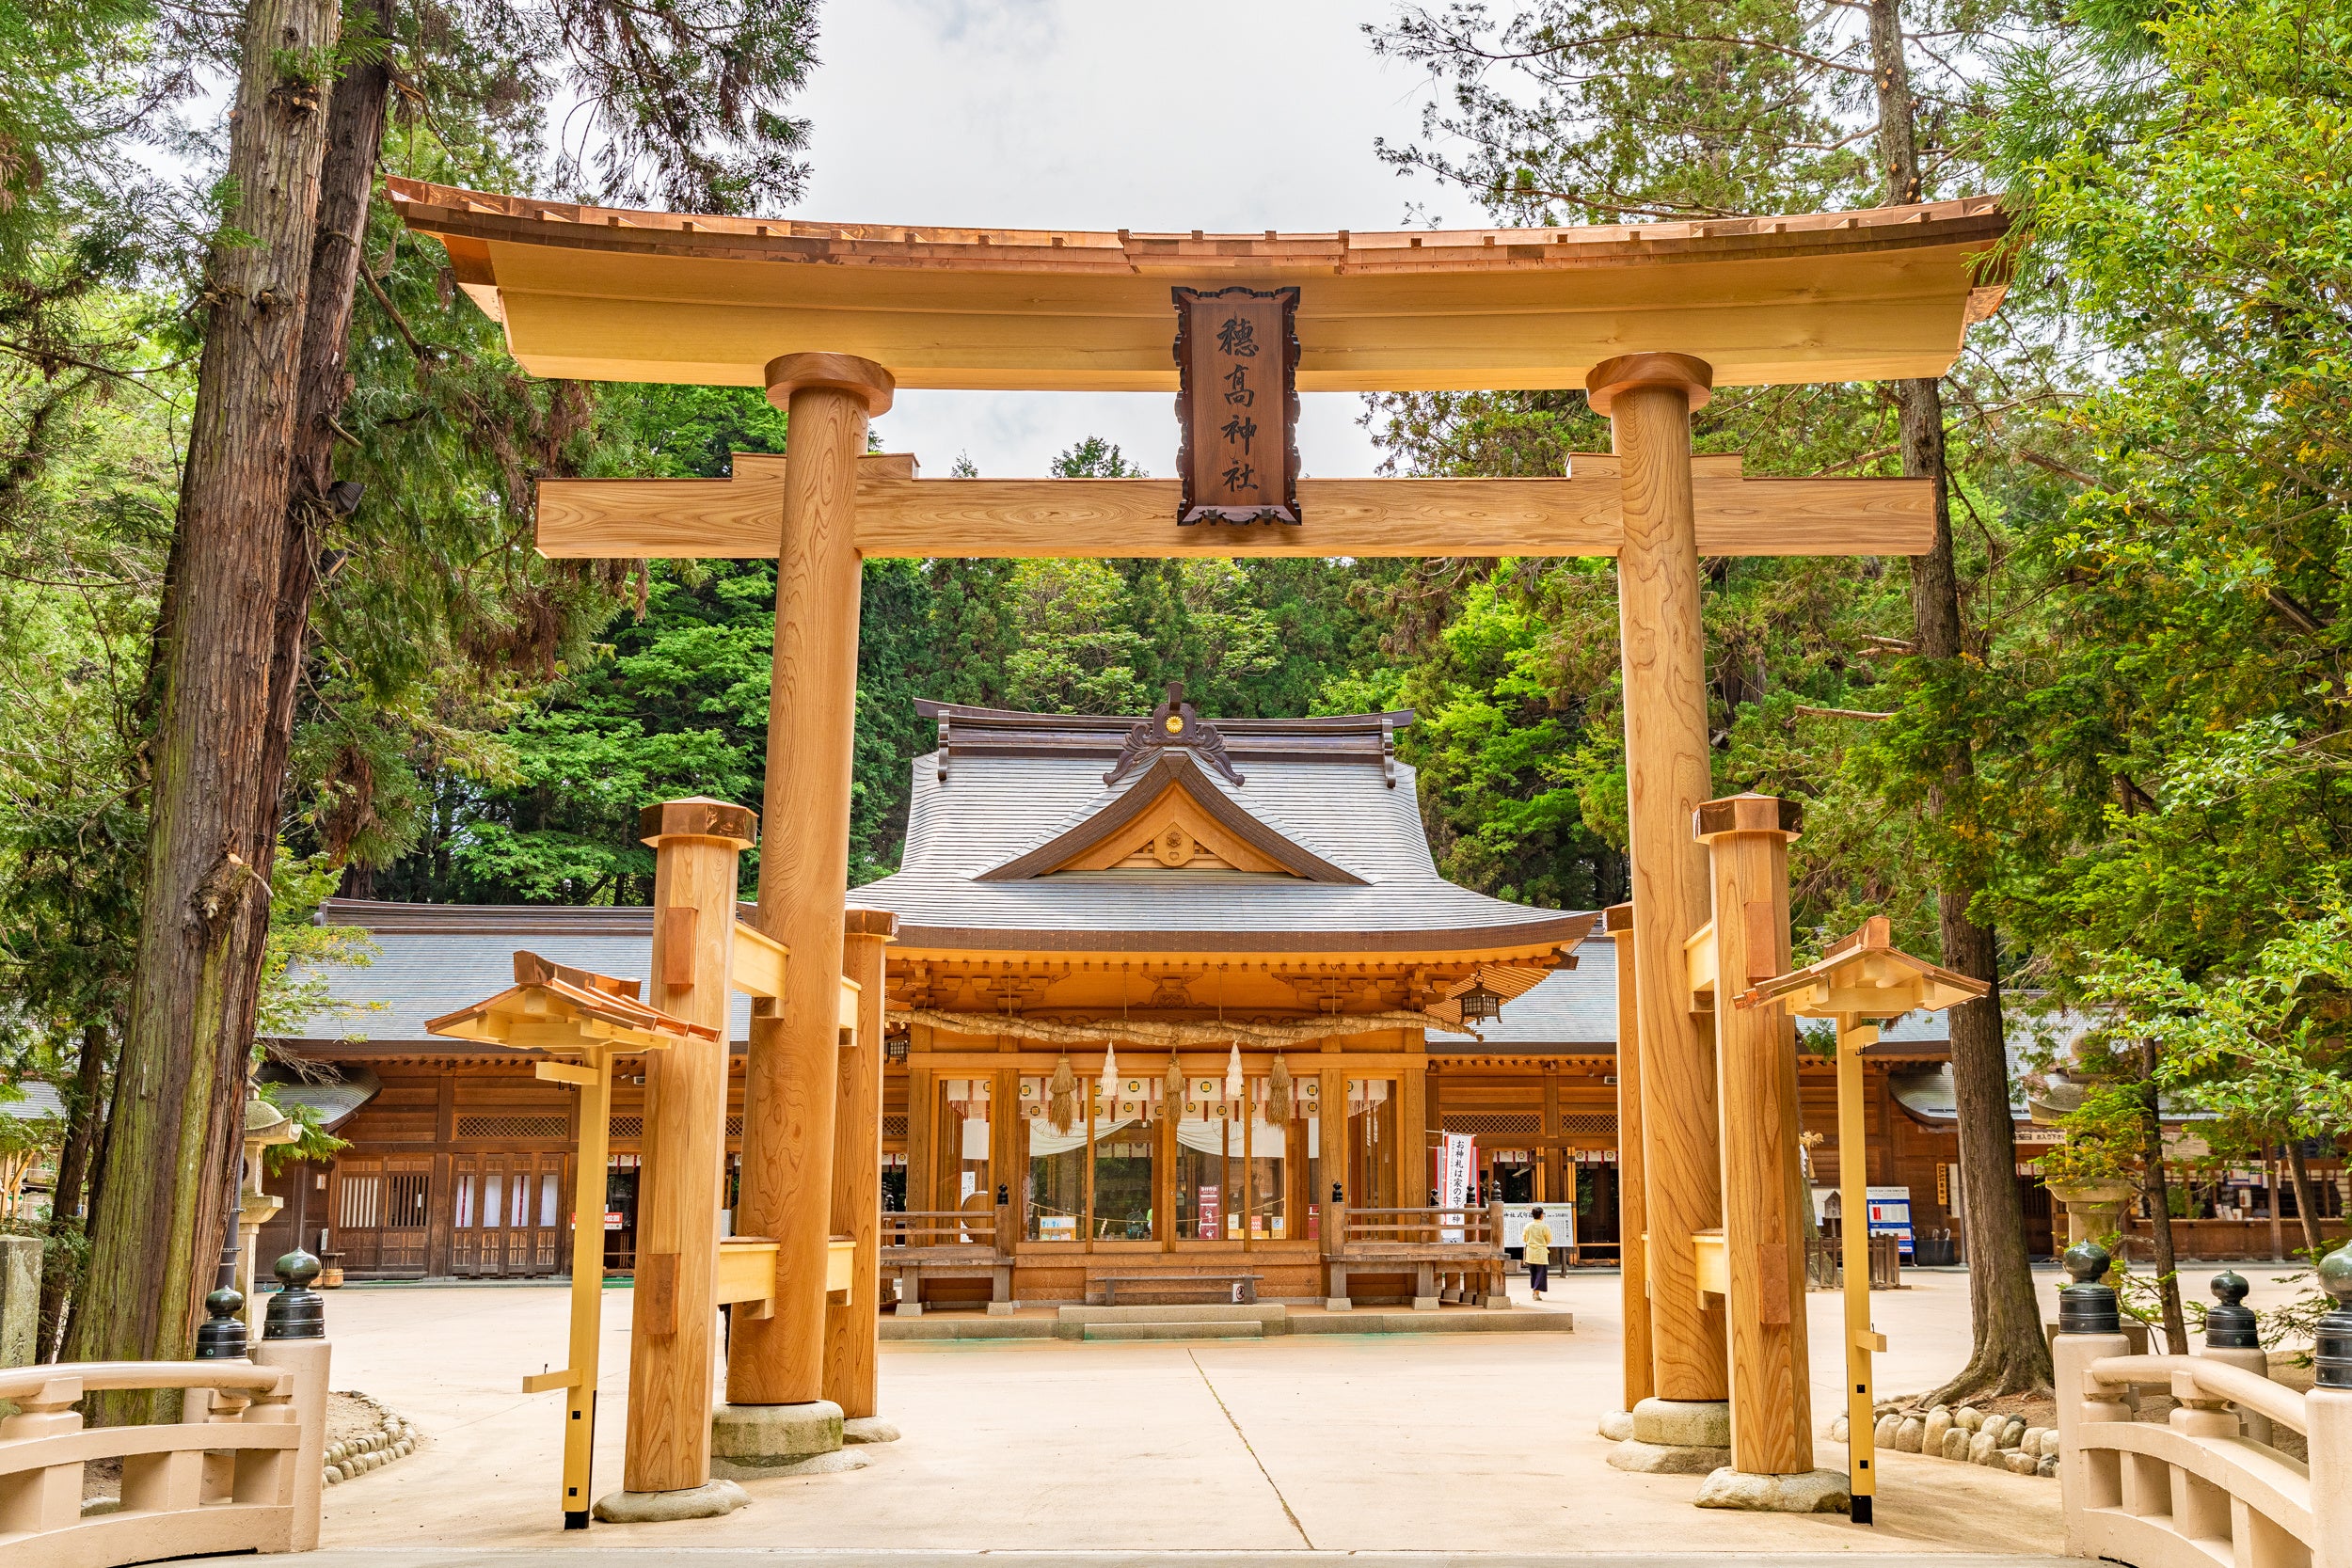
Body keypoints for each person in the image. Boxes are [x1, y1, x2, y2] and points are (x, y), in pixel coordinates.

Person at [1522, 1206, 1553, 1300]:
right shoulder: (1544, 1227)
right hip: (1541, 1252)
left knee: (1533, 1273)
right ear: (1541, 1215)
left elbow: (1524, 1238)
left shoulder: (1528, 1226)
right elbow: (1549, 1240)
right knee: (1541, 1273)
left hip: (1530, 1251)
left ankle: (1534, 1291)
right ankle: (1536, 1292)